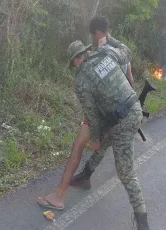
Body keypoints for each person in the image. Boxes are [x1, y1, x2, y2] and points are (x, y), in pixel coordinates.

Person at [37, 17, 136, 211]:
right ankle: (84, 177)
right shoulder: (104, 54)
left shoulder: (82, 77)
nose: (74, 66)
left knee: (78, 148)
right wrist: (110, 37)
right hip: (123, 109)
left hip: (103, 114)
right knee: (98, 146)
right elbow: (128, 57)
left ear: (75, 59)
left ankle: (59, 196)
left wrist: (96, 137)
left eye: (73, 63)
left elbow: (91, 112)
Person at [69, 16, 135, 188]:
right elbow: (129, 72)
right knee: (103, 144)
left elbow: (91, 110)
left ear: (97, 33)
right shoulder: (110, 48)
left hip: (116, 112)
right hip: (121, 106)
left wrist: (95, 136)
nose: (92, 38)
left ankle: (139, 208)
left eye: (93, 35)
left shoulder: (104, 51)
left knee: (107, 147)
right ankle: (86, 174)